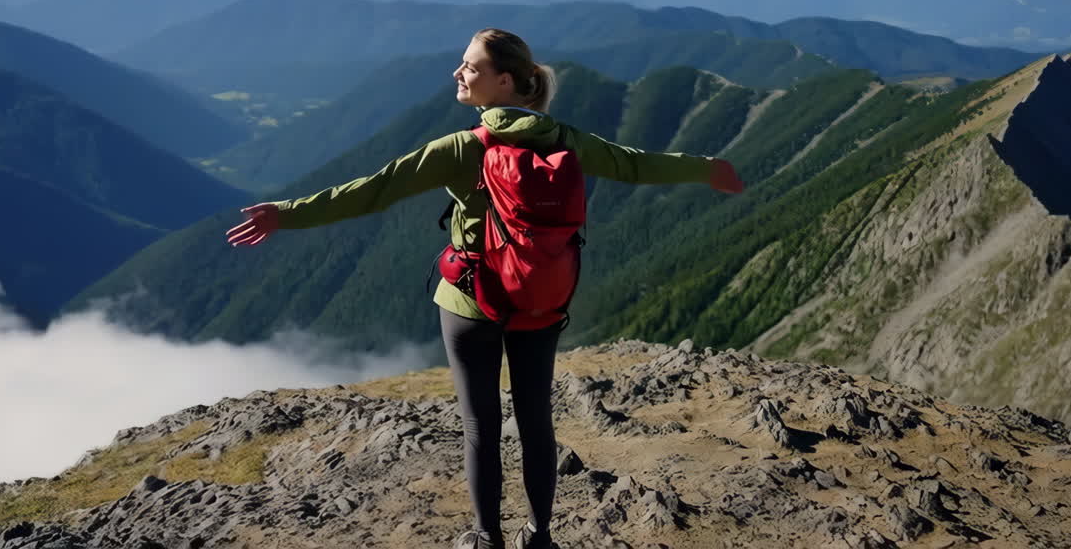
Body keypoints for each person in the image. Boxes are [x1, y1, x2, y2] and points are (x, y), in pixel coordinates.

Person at [226, 28, 745, 549]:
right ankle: (539, 535)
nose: (458, 73)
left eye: (470, 67)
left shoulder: (462, 148)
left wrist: (285, 215)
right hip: (541, 299)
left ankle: (485, 537)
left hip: (470, 302)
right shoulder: (566, 141)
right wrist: (706, 169)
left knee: (481, 427)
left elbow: (374, 190)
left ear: (504, 82)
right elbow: (635, 163)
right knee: (537, 423)